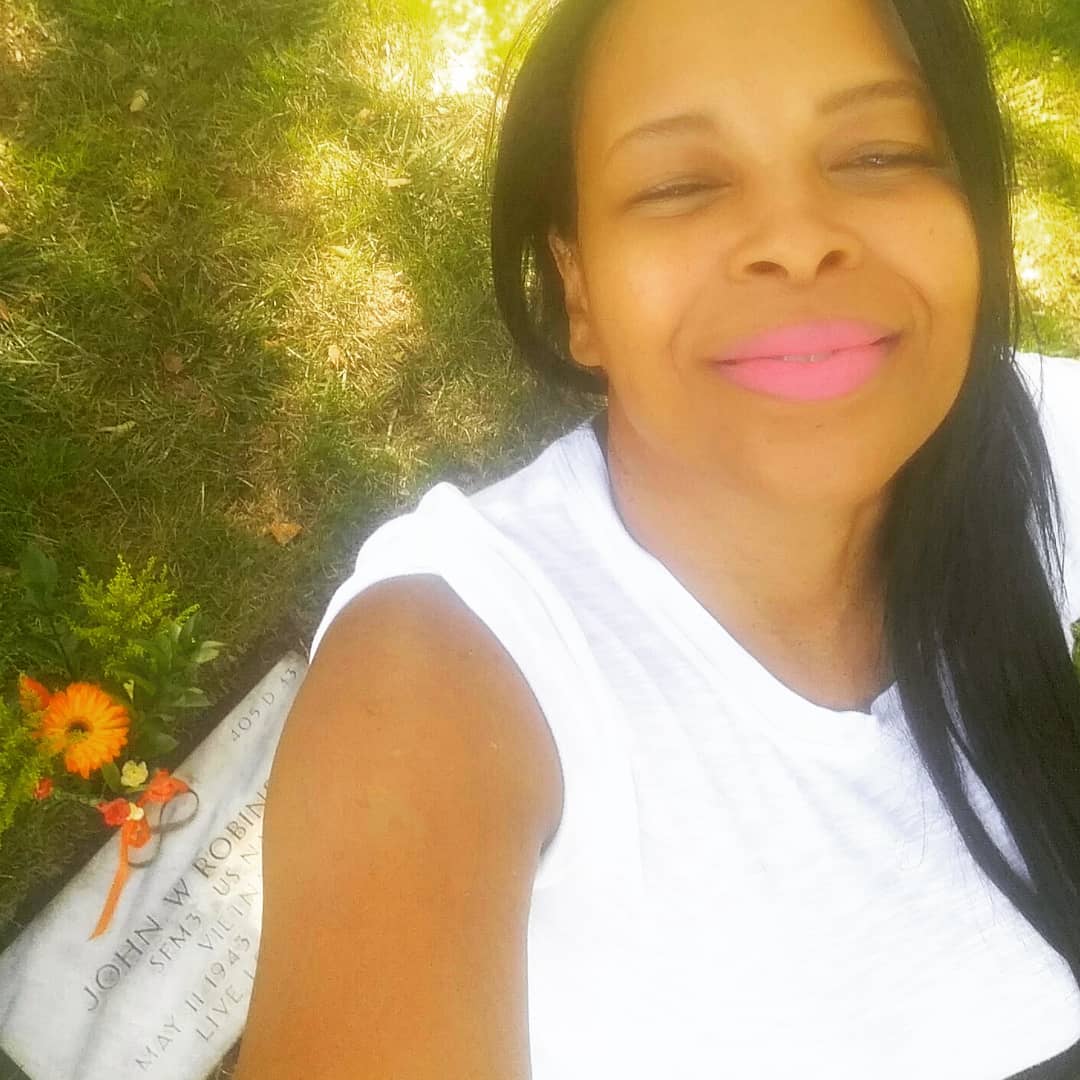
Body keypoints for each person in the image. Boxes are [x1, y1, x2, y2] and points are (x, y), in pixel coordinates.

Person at [234, 0, 1080, 1077]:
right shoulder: (439, 676)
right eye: (681, 184)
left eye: (881, 153)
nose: (798, 237)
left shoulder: (1033, 445)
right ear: (579, 290)